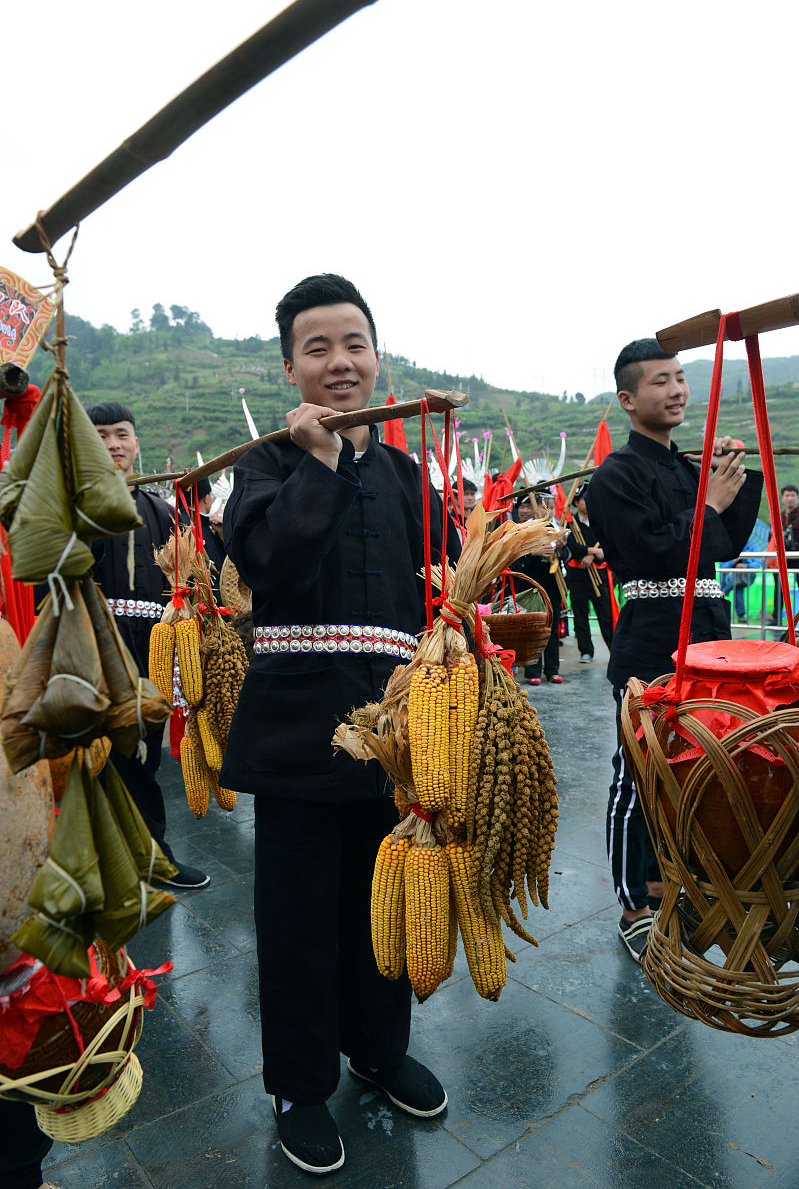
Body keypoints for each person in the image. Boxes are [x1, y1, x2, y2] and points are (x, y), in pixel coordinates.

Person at [221, 274, 457, 1175]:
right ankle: (300, 1085)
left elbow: (443, 575)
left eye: (352, 343)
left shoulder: (404, 473)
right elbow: (273, 566)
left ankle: (378, 1049)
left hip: (396, 738)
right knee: (296, 920)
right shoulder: (266, 466)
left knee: (384, 904)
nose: (339, 362)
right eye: (316, 348)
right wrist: (318, 464)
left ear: (377, 356)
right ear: (290, 367)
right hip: (295, 737)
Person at [585, 339, 763, 963]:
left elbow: (728, 544)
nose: (678, 390)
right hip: (652, 636)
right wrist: (708, 503)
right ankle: (636, 902)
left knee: (696, 768)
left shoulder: (688, 470)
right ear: (629, 399)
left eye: (682, 378)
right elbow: (659, 551)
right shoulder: (614, 476)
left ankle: (677, 887)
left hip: (709, 633)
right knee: (640, 770)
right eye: (662, 381)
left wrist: (735, 478)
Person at [87, 402, 209, 890]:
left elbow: (185, 581)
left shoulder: (161, 510)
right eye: (101, 435)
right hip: (94, 650)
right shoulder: (74, 505)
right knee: (94, 758)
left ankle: (152, 855)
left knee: (144, 756)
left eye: (121, 434)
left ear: (136, 443)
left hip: (151, 649)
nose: (114, 443)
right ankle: (94, 865)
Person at [510, 495, 566, 684]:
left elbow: (565, 555)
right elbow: (513, 559)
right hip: (530, 585)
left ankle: (552, 669)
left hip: (552, 584)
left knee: (551, 626)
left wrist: (560, 548)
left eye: (550, 507)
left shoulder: (554, 529)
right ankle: (533, 671)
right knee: (533, 626)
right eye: (543, 507)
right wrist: (534, 552)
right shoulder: (523, 530)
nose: (546, 511)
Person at [564, 483, 614, 662]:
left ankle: (613, 649)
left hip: (598, 576)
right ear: (576, 502)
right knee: (580, 615)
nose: (588, 502)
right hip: (578, 575)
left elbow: (608, 545)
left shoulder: (600, 521)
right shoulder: (570, 522)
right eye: (585, 499)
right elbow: (573, 548)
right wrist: (593, 552)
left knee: (606, 615)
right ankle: (586, 650)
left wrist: (592, 557)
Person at [768, 484, 799, 625]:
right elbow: (771, 536)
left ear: (797, 497)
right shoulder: (778, 516)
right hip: (782, 557)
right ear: (782, 498)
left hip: (797, 556)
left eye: (793, 495)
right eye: (787, 495)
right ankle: (776, 619)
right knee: (779, 588)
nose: (790, 498)